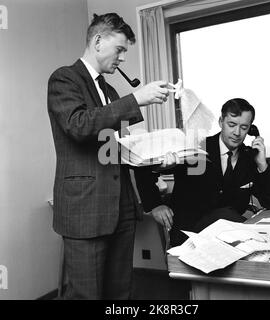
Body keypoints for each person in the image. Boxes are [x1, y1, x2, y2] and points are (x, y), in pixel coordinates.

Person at [47, 13, 171, 300]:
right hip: (86, 209)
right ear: (98, 41)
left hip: (122, 209)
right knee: (86, 295)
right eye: (121, 49)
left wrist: (158, 155)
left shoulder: (111, 90)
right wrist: (136, 98)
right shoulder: (64, 78)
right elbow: (78, 125)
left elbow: (120, 147)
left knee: (120, 293)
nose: (123, 58)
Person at [135, 98, 270, 246]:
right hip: (190, 236)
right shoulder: (194, 148)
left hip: (228, 240)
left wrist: (262, 164)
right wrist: (155, 205)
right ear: (221, 122)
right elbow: (142, 167)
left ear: (250, 129)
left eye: (244, 127)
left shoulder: (249, 158)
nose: (237, 132)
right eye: (232, 124)